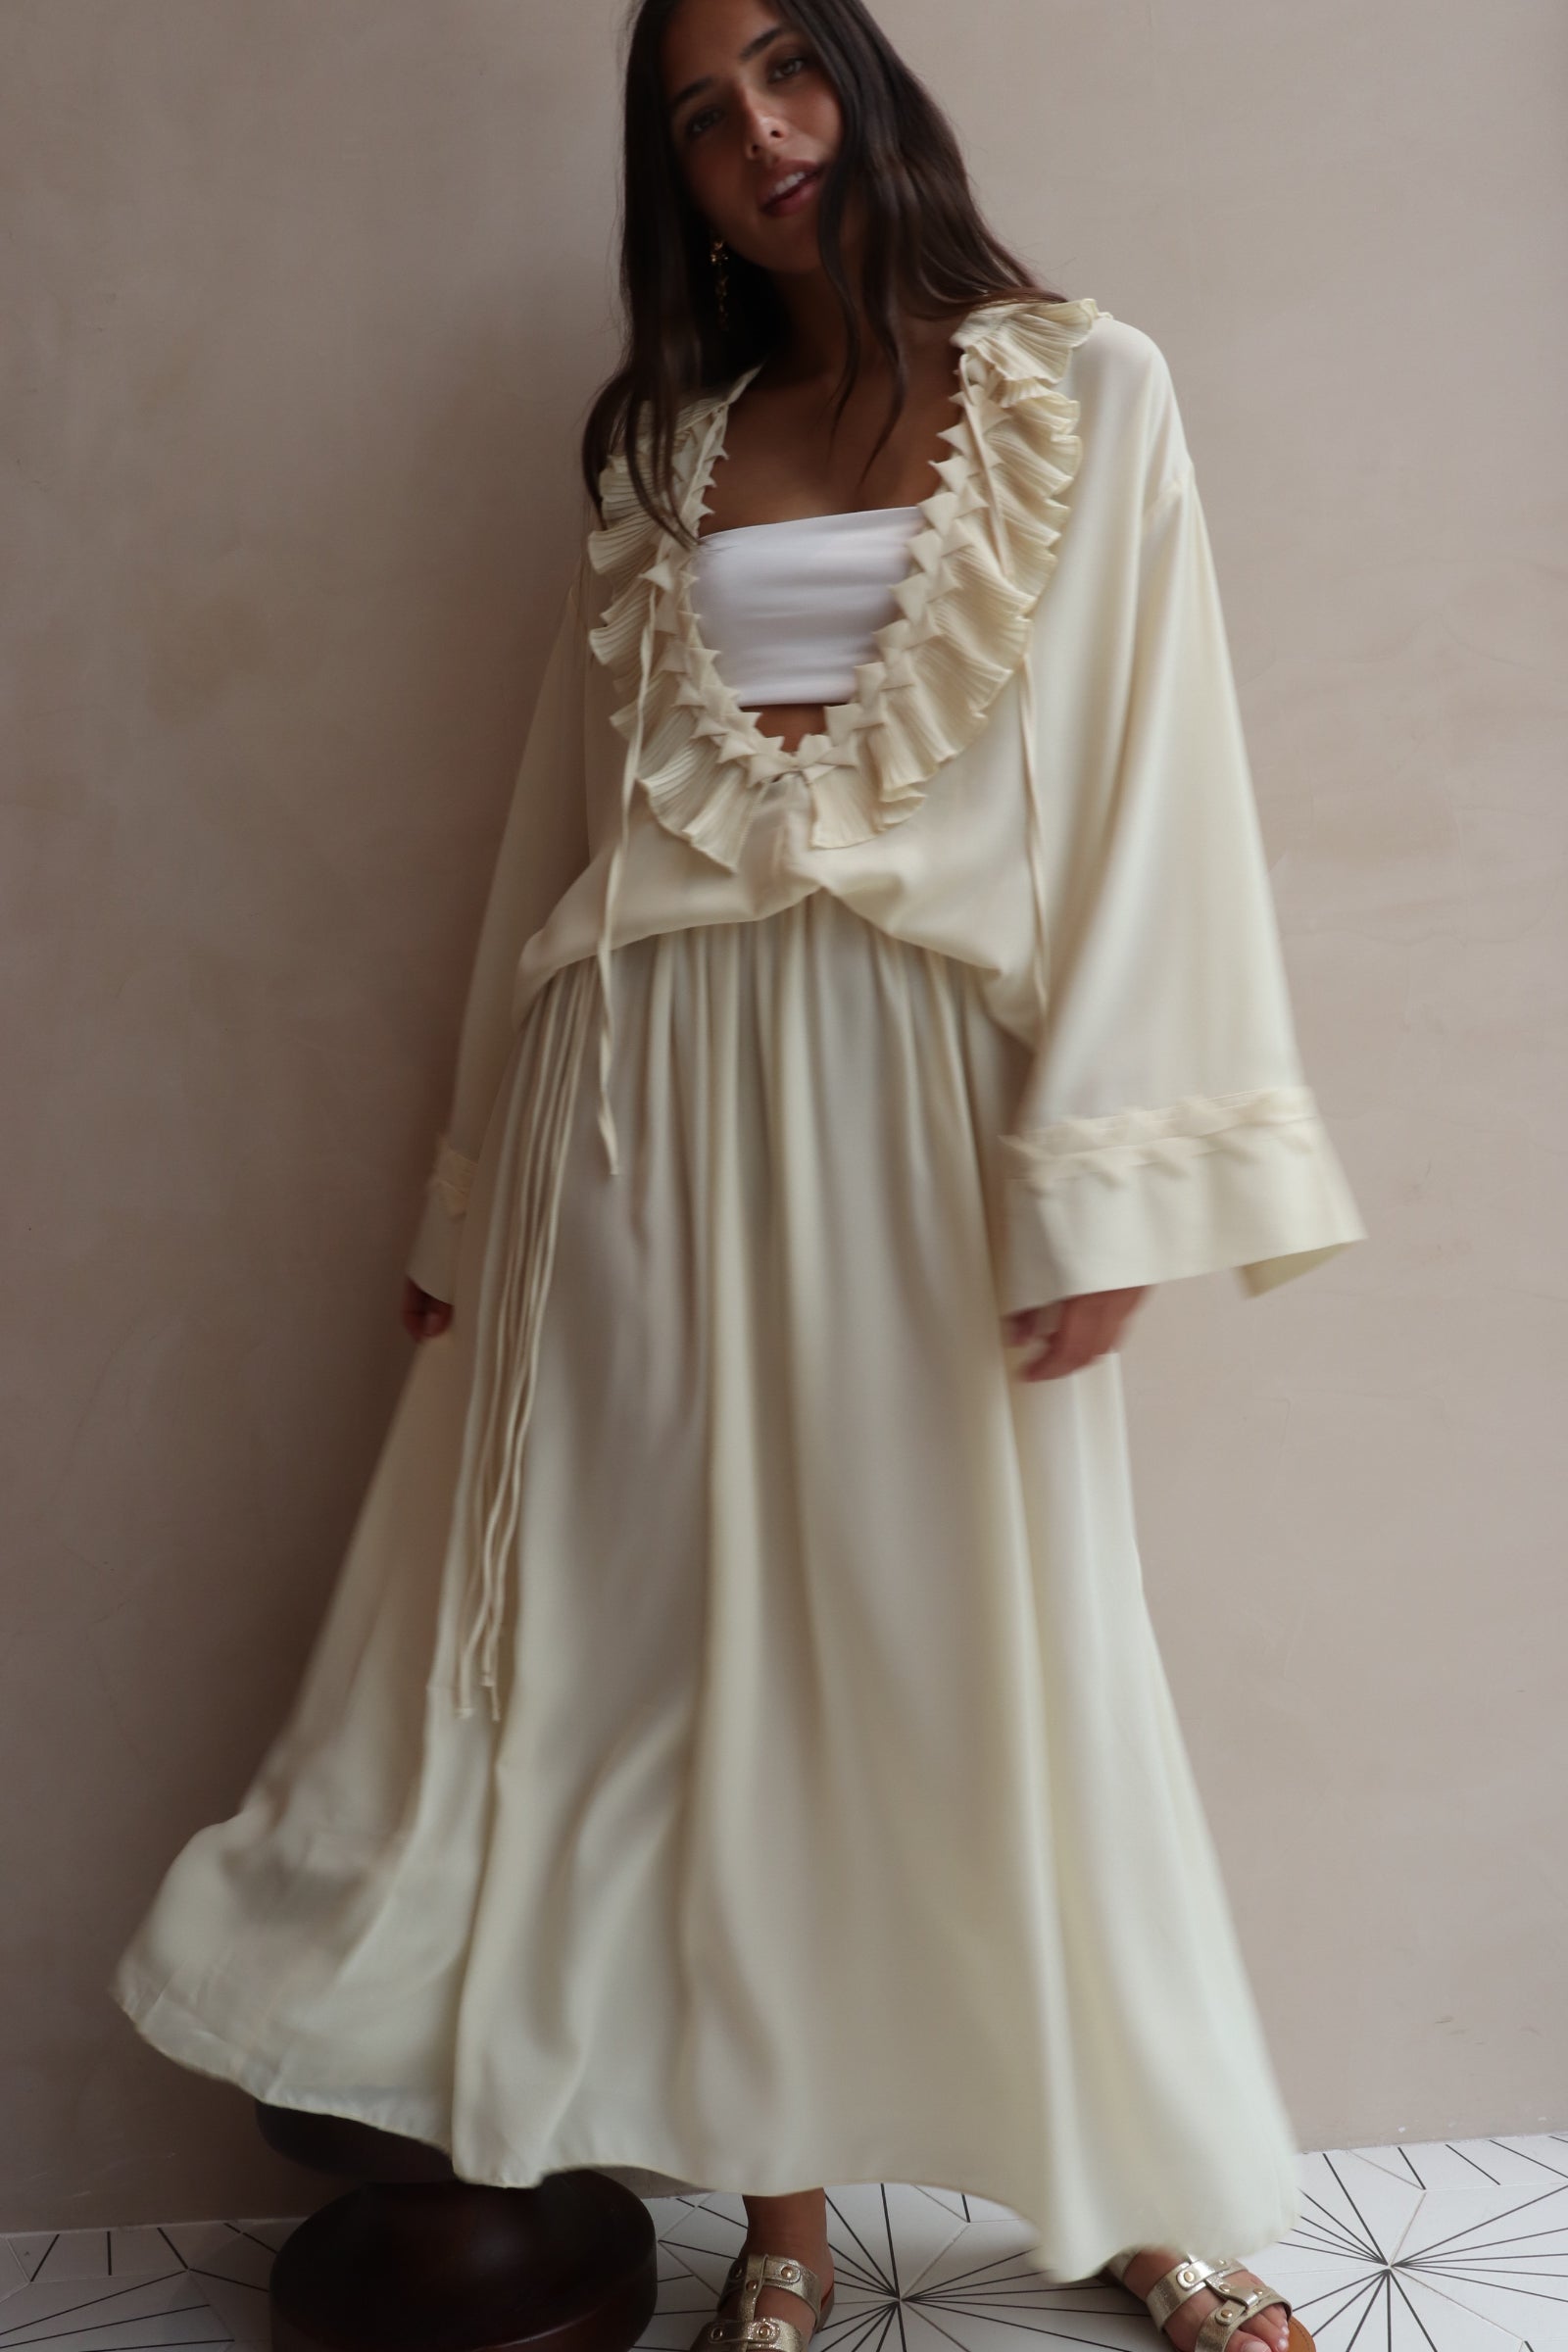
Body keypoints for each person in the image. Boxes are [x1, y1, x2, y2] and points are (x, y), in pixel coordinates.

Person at [110, 4, 1365, 2349]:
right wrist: (466, 1206)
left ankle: (1134, 2193)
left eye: (785, 66)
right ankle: (780, 2223)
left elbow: (1154, 786)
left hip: (927, 1105)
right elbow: (554, 839)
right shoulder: (660, 452)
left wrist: (1103, 1177)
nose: (758, 133)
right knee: (709, 1676)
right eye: (699, 115)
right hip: (642, 1108)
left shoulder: (1084, 390)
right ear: (670, 177)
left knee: (1002, 1650)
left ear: (861, 79)